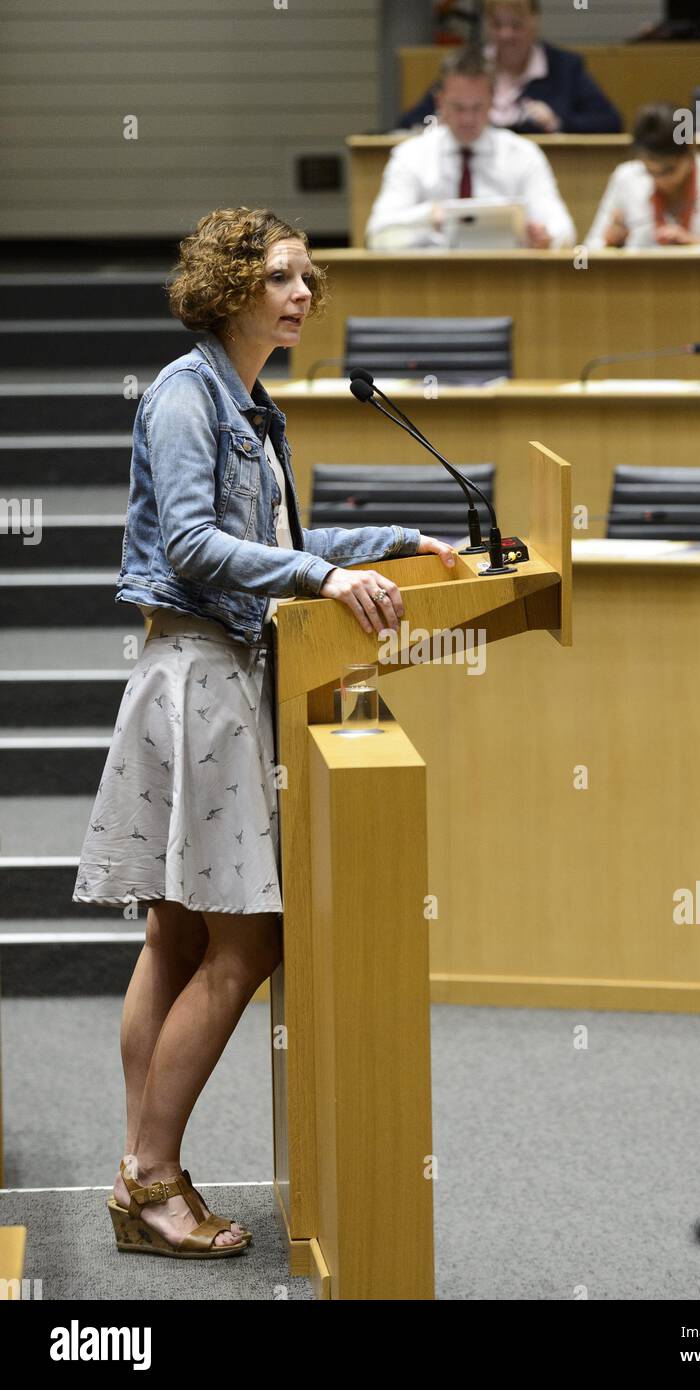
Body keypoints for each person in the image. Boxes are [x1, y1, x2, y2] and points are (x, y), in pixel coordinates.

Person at [74, 206, 456, 1260]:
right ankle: (151, 1178)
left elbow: (274, 540)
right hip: (196, 676)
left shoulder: (248, 402)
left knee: (179, 933)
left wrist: (390, 541)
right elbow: (196, 545)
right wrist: (324, 573)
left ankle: (139, 1170)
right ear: (230, 282)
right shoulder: (185, 395)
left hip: (199, 673)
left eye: (307, 279)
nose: (300, 294)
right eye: (281, 276)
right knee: (246, 939)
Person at [367, 47, 576, 250]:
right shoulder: (411, 156)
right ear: (440, 101)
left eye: (477, 107)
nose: (467, 119)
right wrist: (428, 217)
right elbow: (377, 235)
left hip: (504, 277)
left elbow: (565, 231)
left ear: (493, 101)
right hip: (432, 280)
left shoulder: (523, 155)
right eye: (458, 107)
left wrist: (545, 238)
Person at [398, 0, 621, 134]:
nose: (506, 35)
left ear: (534, 23)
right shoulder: (467, 66)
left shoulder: (565, 68)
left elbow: (610, 122)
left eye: (516, 26)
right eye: (497, 25)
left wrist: (559, 122)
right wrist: (439, 119)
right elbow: (413, 122)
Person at [585, 102, 700, 250]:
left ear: (690, 151)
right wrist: (609, 243)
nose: (659, 180)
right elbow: (589, 249)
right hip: (641, 288)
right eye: (650, 171)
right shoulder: (627, 178)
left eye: (668, 170)